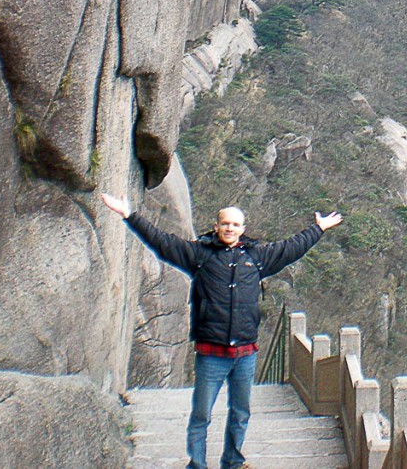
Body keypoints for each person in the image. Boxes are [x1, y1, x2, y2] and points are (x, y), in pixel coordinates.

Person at [101, 191, 342, 469]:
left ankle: (233, 461)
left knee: (241, 412)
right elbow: (161, 241)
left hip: (245, 354)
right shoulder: (199, 256)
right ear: (216, 226)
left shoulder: (257, 257)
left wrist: (318, 228)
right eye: (225, 224)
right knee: (201, 414)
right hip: (211, 353)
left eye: (235, 225)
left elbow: (291, 248)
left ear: (243, 229)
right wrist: (129, 214)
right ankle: (198, 464)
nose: (230, 228)